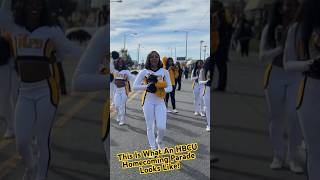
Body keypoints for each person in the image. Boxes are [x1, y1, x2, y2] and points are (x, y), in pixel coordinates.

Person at [1, 0, 81, 179]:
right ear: (24, 5)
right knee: (21, 141)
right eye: (30, 3)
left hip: (46, 90)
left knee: (42, 138)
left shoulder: (51, 30)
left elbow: (69, 49)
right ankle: (30, 166)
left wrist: (99, 62)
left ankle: (40, 176)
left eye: (39, 4)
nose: (34, 6)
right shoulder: (14, 27)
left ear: (44, 7)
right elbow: (2, 13)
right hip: (25, 91)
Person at [259, 0, 303, 173]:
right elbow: (262, 57)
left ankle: (293, 157)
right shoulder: (269, 29)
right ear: (279, 8)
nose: (291, 8)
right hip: (275, 75)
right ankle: (278, 155)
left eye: (294, 5)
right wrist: (280, 48)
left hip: (296, 77)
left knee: (294, 117)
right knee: (276, 118)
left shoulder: (301, 28)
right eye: (287, 5)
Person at [283, 0, 320, 178]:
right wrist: (309, 64)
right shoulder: (297, 29)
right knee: (315, 151)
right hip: (310, 92)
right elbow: (287, 63)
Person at [133, 51, 172, 150]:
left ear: (159, 59)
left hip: (160, 102)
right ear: (148, 59)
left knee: (161, 127)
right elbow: (134, 86)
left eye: (156, 57)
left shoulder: (164, 71)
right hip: (148, 102)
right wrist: (147, 87)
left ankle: (159, 141)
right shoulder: (144, 72)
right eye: (152, 57)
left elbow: (170, 87)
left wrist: (161, 90)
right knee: (150, 126)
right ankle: (153, 147)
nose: (154, 58)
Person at [212, 0, 232, 92]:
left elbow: (217, 28)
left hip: (218, 44)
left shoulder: (219, 15)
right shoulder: (223, 15)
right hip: (220, 44)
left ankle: (220, 86)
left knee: (219, 65)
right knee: (220, 66)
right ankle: (221, 85)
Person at [112, 56, 135, 125]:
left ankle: (122, 119)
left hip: (124, 90)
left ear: (123, 63)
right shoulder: (114, 71)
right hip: (116, 91)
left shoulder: (126, 71)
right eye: (119, 62)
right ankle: (119, 115)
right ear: (117, 63)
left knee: (122, 105)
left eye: (121, 62)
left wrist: (141, 79)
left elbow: (132, 77)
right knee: (116, 105)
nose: (120, 63)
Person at [199, 57, 212, 132]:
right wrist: (206, 81)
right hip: (207, 89)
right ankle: (209, 125)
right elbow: (200, 81)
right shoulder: (203, 71)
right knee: (208, 108)